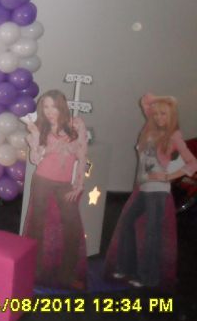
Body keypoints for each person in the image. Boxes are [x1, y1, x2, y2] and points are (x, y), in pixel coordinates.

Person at [107, 94, 197, 288]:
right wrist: (163, 102)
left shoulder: (174, 135)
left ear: (171, 115)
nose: (158, 117)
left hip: (158, 191)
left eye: (163, 114)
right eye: (156, 113)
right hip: (144, 187)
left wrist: (167, 176)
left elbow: (193, 163)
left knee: (152, 233)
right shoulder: (149, 130)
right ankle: (127, 267)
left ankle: (149, 277)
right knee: (128, 222)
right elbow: (145, 100)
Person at [21, 89, 88, 290]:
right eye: (45, 107)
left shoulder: (77, 124)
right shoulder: (40, 127)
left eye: (53, 106)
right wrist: (34, 136)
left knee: (73, 228)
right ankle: (33, 272)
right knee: (36, 227)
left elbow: (82, 157)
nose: (49, 111)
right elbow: (35, 159)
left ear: (62, 106)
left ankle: (67, 275)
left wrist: (79, 185)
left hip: (65, 184)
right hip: (42, 180)